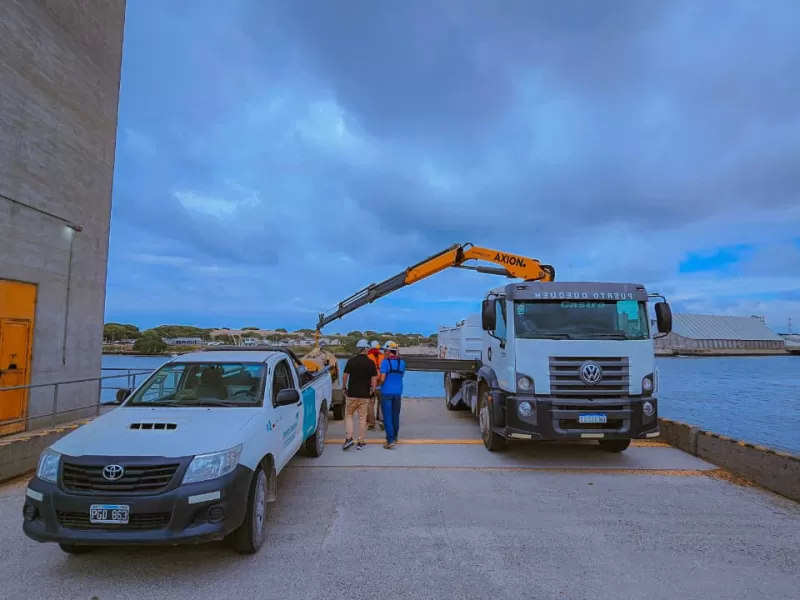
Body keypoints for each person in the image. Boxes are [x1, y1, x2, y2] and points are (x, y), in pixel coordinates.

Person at [341, 338, 377, 450]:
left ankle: (349, 438)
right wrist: (373, 390)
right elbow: (374, 379)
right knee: (362, 418)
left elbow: (345, 376)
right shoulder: (371, 363)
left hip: (352, 393)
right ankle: (360, 441)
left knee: (349, 415)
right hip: (364, 395)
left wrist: (344, 387)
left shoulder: (351, 361)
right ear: (366, 349)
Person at [378, 340, 406, 449]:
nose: (385, 352)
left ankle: (390, 440)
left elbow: (383, 378)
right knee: (396, 415)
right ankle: (395, 436)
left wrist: (378, 384)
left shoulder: (385, 362)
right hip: (398, 392)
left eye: (386, 350)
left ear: (389, 351)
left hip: (386, 392)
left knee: (387, 417)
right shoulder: (402, 363)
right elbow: (401, 376)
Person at [367, 340, 385, 431]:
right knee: (381, 403)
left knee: (370, 404)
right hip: (382, 382)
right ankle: (381, 421)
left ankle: (371, 423)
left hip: (371, 383)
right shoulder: (383, 356)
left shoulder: (368, 357)